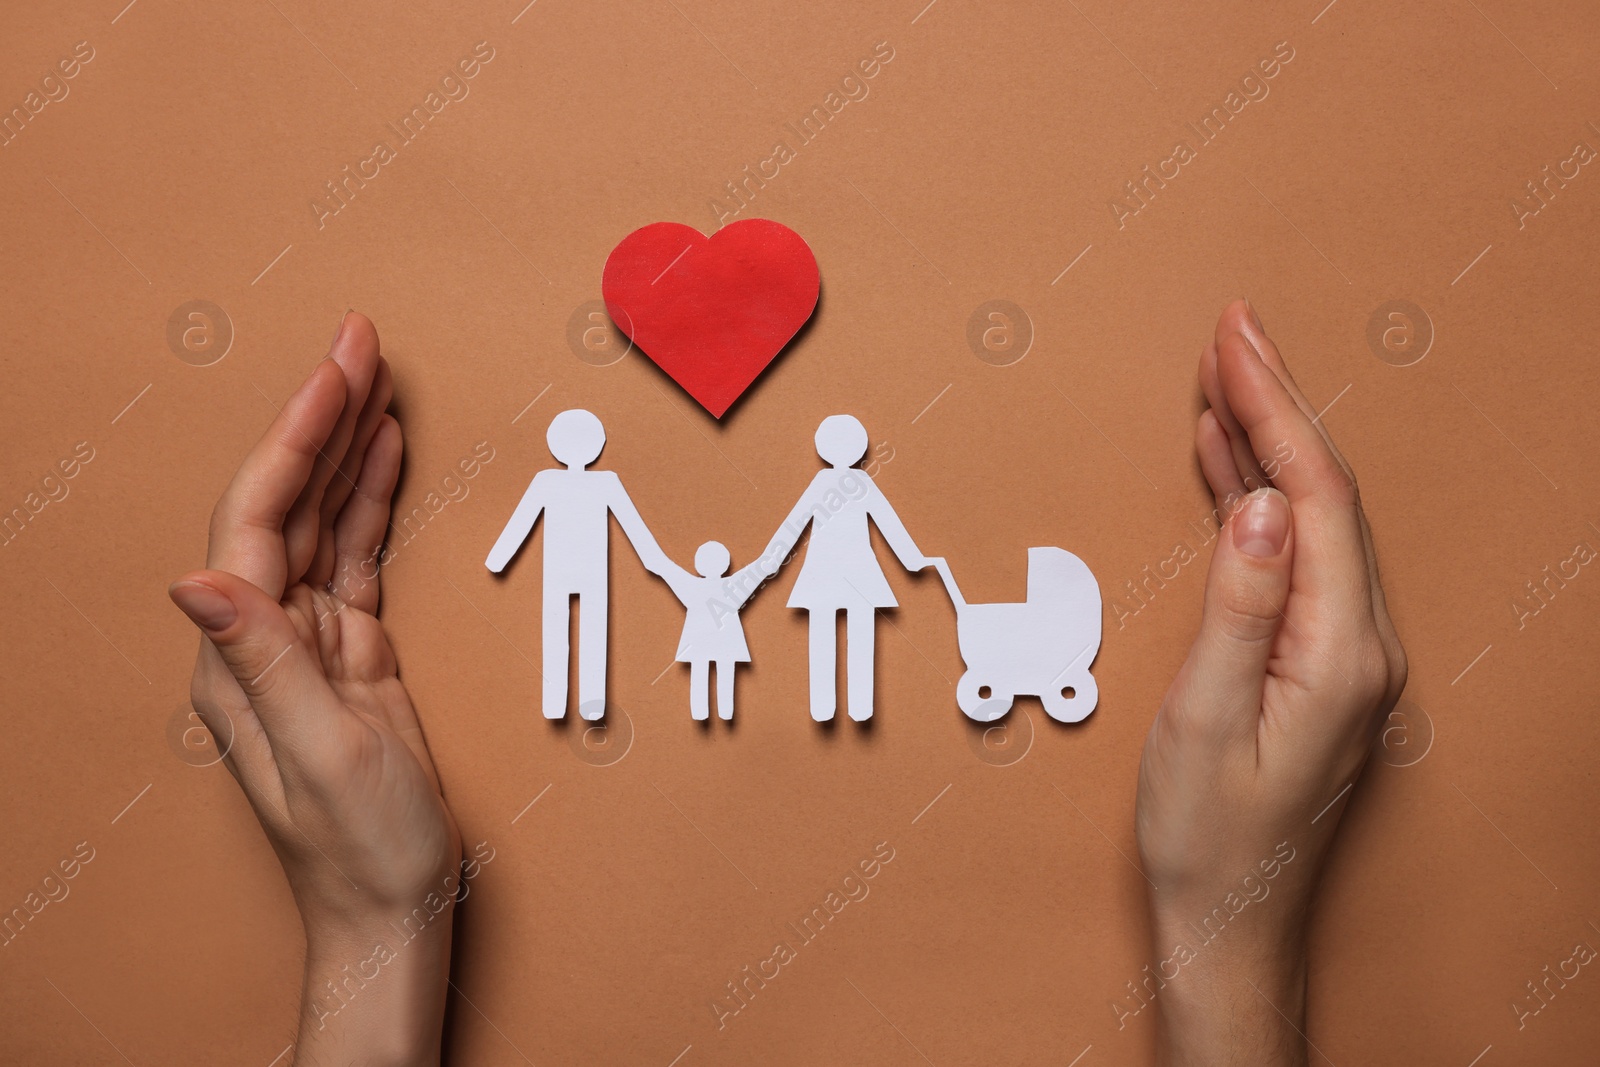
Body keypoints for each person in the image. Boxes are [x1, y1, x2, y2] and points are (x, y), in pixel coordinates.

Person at [167, 301, 1404, 1064]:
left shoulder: (834, 483)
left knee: (828, 664)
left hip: (831, 600)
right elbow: (679, 542)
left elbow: (807, 538)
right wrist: (1230, 941)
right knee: (585, 644)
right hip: (773, 593)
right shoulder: (611, 482)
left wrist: (374, 933)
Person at [485, 408, 673, 720]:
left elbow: (521, 522)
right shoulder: (602, 482)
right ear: (597, 446)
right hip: (589, 572)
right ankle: (587, 704)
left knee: (558, 630)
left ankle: (559, 703)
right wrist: (656, 561)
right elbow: (634, 528)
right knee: (591, 632)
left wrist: (498, 558)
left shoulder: (552, 481)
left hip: (565, 571)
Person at [761, 414, 930, 721]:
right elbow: (885, 521)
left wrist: (772, 558)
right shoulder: (855, 481)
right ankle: (850, 706)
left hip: (836, 571)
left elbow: (796, 522)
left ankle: (834, 707)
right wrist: (911, 558)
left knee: (831, 634)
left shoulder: (842, 482)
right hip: (850, 571)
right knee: (854, 634)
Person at [657, 540, 769, 720]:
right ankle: (725, 711)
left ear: (698, 564)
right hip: (727, 641)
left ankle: (702, 712)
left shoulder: (691, 586)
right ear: (725, 564)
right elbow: (761, 566)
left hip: (700, 641)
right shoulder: (734, 585)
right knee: (724, 671)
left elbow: (663, 566)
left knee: (700, 672)